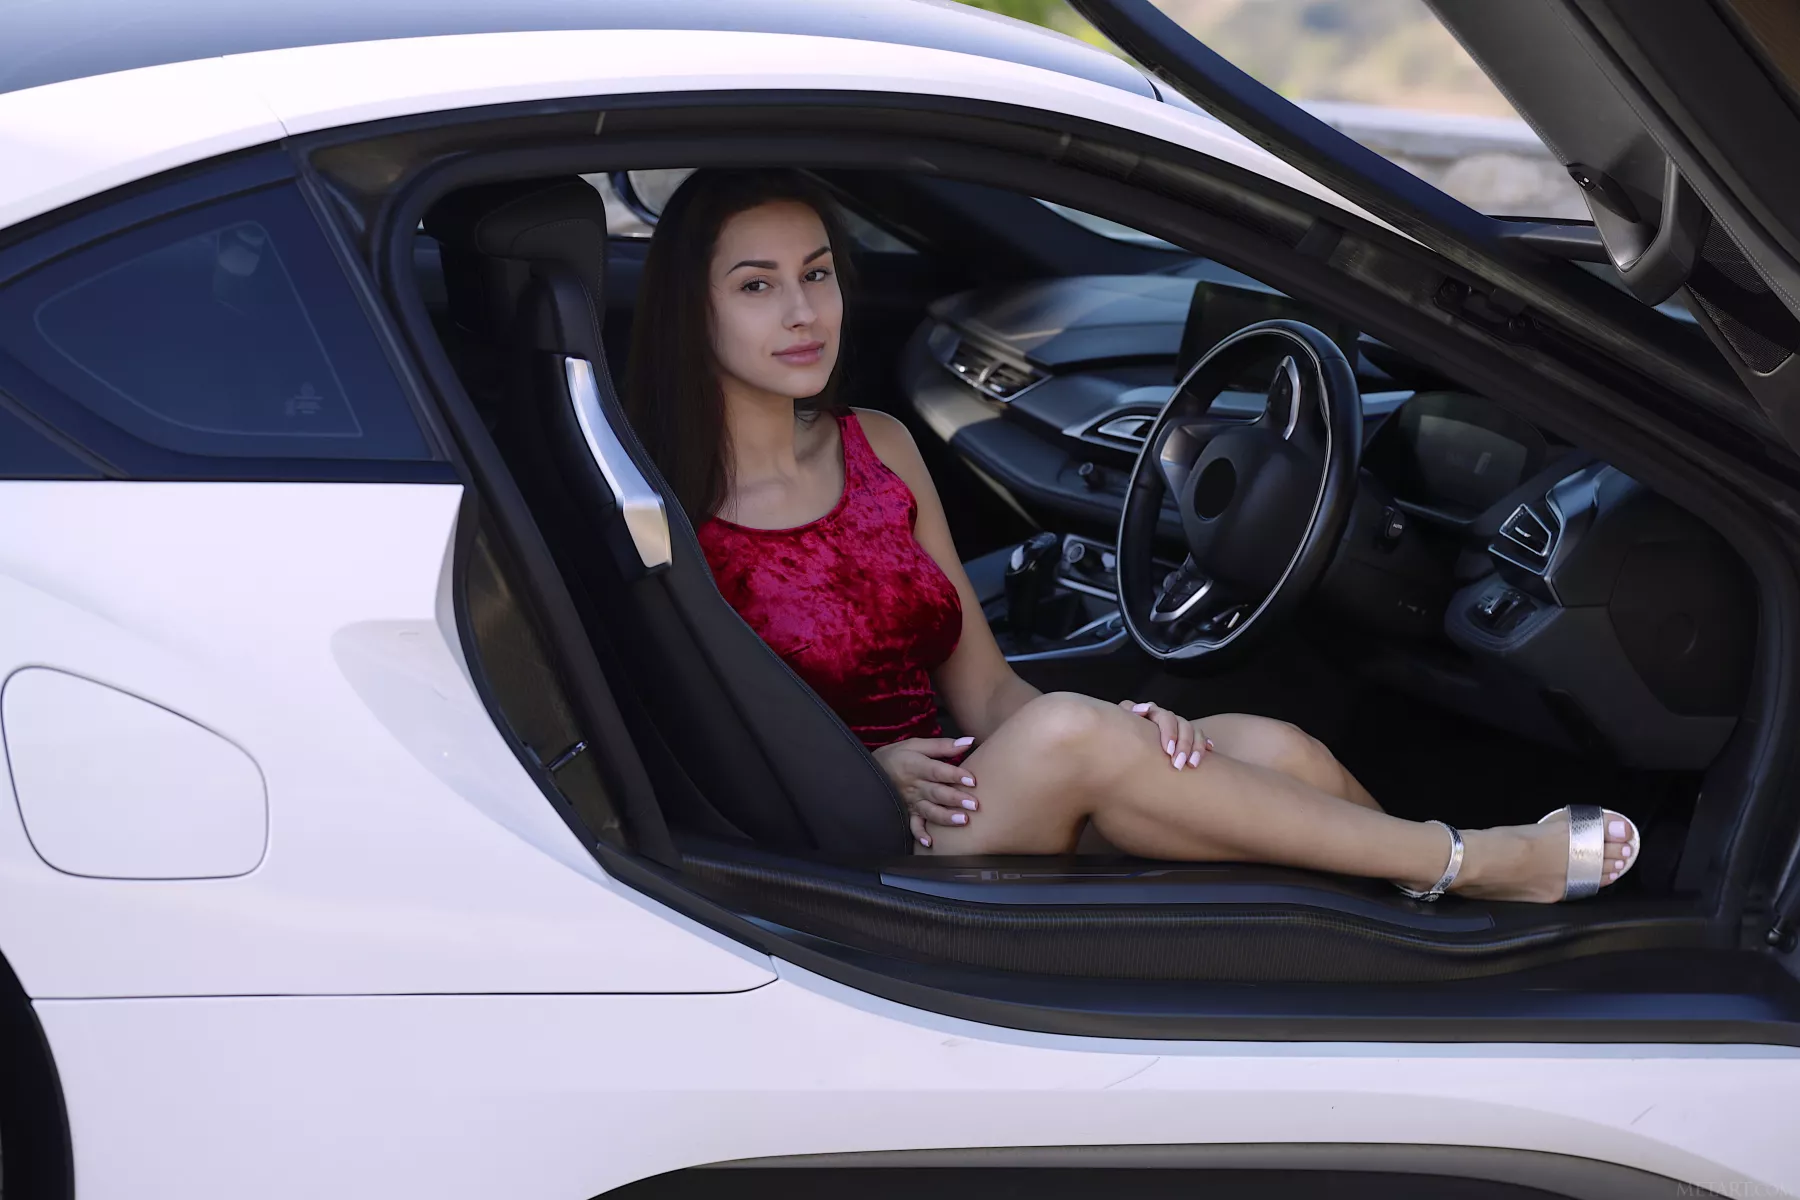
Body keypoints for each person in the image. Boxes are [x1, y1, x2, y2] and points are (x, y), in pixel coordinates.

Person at [623, 168, 1638, 903]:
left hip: (976, 786)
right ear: (693, 309)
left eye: (817, 274)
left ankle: (1430, 943)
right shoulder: (665, 506)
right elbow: (706, 747)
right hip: (850, 841)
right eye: (756, 285)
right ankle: (1474, 864)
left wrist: (1125, 730)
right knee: (1079, 734)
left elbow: (989, 694)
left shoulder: (877, 444)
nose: (803, 312)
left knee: (1277, 748)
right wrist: (869, 773)